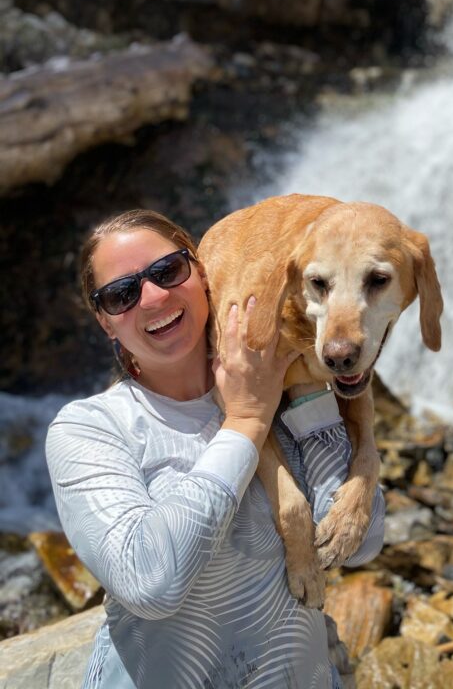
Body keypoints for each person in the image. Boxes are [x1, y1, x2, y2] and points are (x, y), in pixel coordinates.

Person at [45, 209, 385, 689]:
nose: (154, 297)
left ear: (201, 270)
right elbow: (151, 583)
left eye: (168, 271)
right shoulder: (89, 429)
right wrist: (246, 422)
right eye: (122, 294)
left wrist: (303, 382)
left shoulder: (288, 386)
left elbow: (362, 544)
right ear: (104, 322)